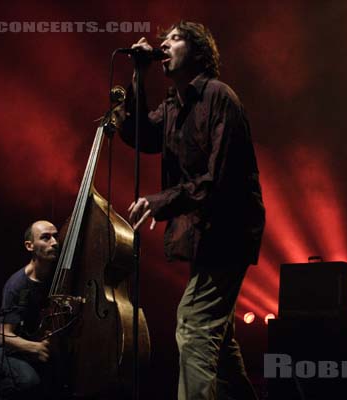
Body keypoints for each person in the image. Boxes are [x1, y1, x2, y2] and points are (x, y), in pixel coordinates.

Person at [120, 21, 265, 400]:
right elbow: (137, 134)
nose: (162, 43)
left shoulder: (219, 97)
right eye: (163, 38)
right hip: (204, 232)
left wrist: (160, 201)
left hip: (229, 229)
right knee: (219, 344)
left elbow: (219, 178)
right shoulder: (172, 107)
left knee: (194, 325)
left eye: (173, 37)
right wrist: (138, 76)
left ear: (198, 51)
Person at [0, 220, 59, 400]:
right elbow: (4, 335)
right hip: (4, 349)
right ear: (29, 246)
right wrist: (36, 348)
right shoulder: (17, 286)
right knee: (29, 381)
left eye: (55, 236)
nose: (54, 242)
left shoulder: (58, 274)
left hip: (31, 340)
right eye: (46, 238)